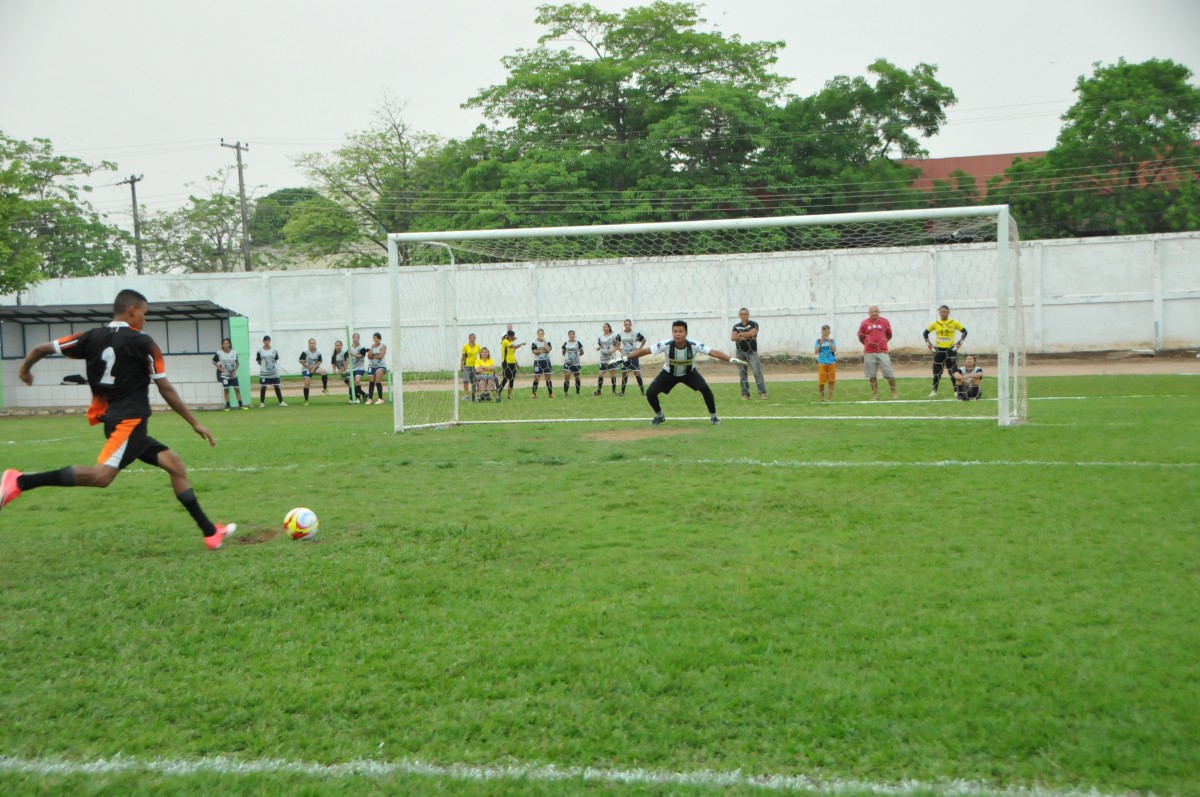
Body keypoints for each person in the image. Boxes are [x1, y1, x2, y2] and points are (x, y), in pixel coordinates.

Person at [0, 289, 236, 549]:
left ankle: (210, 531)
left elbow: (41, 348)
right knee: (102, 477)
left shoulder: (91, 337)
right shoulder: (143, 342)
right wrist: (195, 422)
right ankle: (20, 481)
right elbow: (164, 387)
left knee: (175, 465)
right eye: (144, 313)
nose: (145, 319)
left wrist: (24, 370)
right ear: (132, 310)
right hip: (129, 423)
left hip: (119, 421)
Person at [621, 320, 746, 426]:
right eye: (675, 331)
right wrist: (626, 357)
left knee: (705, 389)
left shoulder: (694, 345)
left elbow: (713, 352)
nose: (677, 334)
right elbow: (645, 351)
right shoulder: (665, 344)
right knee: (650, 393)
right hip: (669, 373)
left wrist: (730, 359)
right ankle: (660, 416)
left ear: (686, 333)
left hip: (689, 373)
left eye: (680, 331)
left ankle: (714, 417)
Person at [923, 305, 968, 398]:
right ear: (939, 313)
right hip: (939, 351)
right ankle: (934, 391)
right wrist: (930, 346)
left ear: (948, 312)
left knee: (953, 371)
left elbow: (964, 331)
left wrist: (959, 343)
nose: (943, 313)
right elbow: (925, 333)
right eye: (941, 311)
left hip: (950, 350)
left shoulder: (953, 323)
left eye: (945, 311)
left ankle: (956, 390)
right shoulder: (935, 324)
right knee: (936, 373)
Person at [857, 305, 897, 400]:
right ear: (868, 313)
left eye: (876, 311)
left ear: (879, 312)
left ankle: (894, 394)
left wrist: (882, 342)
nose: (874, 313)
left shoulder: (885, 321)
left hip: (882, 351)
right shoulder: (864, 323)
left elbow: (889, 335)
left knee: (889, 373)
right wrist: (868, 343)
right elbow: (861, 337)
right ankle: (875, 395)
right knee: (872, 375)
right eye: (872, 312)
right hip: (869, 352)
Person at [731, 307, 767, 400]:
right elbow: (733, 337)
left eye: (745, 314)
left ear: (748, 315)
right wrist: (746, 335)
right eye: (741, 314)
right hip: (740, 352)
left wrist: (740, 334)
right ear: (739, 315)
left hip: (752, 352)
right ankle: (745, 394)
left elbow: (752, 334)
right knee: (742, 374)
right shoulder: (736, 326)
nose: (743, 316)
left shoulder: (754, 324)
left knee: (757, 372)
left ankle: (762, 393)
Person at [212, 337, 249, 411]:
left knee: (237, 390)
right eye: (224, 343)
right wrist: (220, 368)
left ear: (229, 344)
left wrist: (235, 371)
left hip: (233, 375)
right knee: (226, 391)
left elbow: (237, 363)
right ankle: (228, 406)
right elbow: (213, 361)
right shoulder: (219, 353)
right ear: (222, 345)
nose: (225, 345)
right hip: (225, 375)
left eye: (227, 343)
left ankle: (241, 405)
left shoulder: (234, 352)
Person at [615, 319, 647, 396]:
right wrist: (619, 349)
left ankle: (642, 392)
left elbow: (644, 339)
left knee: (637, 372)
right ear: (624, 325)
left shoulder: (635, 333)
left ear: (631, 325)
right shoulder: (621, 334)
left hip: (634, 355)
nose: (627, 326)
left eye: (628, 324)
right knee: (624, 373)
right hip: (624, 356)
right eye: (625, 324)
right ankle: (622, 392)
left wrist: (639, 348)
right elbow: (616, 341)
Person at [256, 335, 287, 407]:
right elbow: (258, 361)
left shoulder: (274, 350)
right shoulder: (259, 351)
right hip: (264, 372)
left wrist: (271, 365)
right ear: (263, 341)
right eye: (265, 341)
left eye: (268, 341)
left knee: (276, 386)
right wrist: (264, 365)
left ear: (270, 341)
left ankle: (281, 402)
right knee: (263, 387)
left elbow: (276, 359)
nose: (267, 342)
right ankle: (262, 403)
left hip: (274, 372)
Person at [298, 338, 328, 405]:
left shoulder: (318, 352)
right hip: (306, 368)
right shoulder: (305, 352)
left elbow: (319, 361)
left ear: (316, 344)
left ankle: (325, 388)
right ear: (309, 344)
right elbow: (301, 360)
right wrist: (309, 367)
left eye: (314, 343)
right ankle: (306, 400)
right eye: (311, 343)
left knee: (324, 372)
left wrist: (314, 368)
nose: (312, 344)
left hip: (314, 368)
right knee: (307, 383)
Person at [593, 322, 620, 396]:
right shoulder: (600, 336)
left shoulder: (614, 336)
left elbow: (617, 346)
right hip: (603, 358)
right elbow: (601, 345)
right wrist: (599, 348)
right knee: (601, 373)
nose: (604, 328)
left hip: (611, 358)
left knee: (613, 374)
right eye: (603, 327)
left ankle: (614, 391)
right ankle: (598, 391)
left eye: (605, 327)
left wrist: (612, 350)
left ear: (609, 328)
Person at [530, 328, 556, 399]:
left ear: (544, 334)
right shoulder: (534, 342)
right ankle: (534, 394)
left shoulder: (547, 341)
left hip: (546, 361)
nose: (541, 335)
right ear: (537, 334)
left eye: (542, 334)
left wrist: (544, 341)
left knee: (548, 378)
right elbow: (534, 351)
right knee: (536, 378)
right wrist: (544, 351)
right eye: (539, 334)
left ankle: (550, 394)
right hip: (538, 361)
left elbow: (548, 349)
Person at [814, 325, 838, 402]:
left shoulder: (832, 341)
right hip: (822, 363)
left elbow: (834, 350)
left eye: (827, 331)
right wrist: (821, 343)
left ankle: (829, 399)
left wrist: (828, 341)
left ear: (829, 332)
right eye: (823, 330)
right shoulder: (817, 341)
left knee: (831, 382)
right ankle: (822, 399)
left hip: (831, 362)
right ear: (821, 331)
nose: (825, 332)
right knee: (821, 382)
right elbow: (816, 352)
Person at [498, 330, 524, 400]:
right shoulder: (505, 341)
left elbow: (512, 354)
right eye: (513, 336)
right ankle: (498, 393)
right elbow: (515, 347)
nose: (514, 337)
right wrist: (521, 344)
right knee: (505, 379)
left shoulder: (510, 341)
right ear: (509, 336)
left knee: (512, 379)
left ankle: (509, 396)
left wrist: (516, 363)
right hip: (506, 363)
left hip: (512, 363)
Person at [366, 332, 387, 404]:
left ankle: (381, 399)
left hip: (380, 365)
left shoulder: (383, 346)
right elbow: (369, 357)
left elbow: (381, 356)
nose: (376, 339)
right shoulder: (371, 346)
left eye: (377, 338)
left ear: (380, 339)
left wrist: (374, 356)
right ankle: (370, 399)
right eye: (374, 338)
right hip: (371, 365)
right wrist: (372, 350)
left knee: (378, 381)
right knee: (371, 381)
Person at [561, 329, 584, 395]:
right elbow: (563, 352)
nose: (572, 335)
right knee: (567, 377)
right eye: (570, 334)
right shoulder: (566, 343)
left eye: (573, 334)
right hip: (568, 363)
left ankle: (577, 392)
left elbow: (582, 352)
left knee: (577, 377)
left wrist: (576, 356)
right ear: (568, 335)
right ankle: (566, 393)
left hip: (576, 363)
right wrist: (567, 357)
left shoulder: (578, 343)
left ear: (575, 335)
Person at [460, 333, 481, 401]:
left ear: (475, 338)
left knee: (474, 381)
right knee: (465, 380)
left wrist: (480, 364)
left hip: (475, 366)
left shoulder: (477, 346)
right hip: (467, 366)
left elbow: (481, 356)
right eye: (471, 338)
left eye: (473, 338)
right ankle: (466, 395)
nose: (472, 339)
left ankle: (475, 395)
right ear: (469, 338)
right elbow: (463, 357)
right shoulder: (465, 346)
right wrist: (461, 366)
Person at [349, 333, 368, 404]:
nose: (356, 339)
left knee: (357, 380)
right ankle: (351, 398)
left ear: (359, 339)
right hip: (351, 368)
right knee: (350, 382)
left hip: (360, 367)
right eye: (355, 337)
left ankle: (358, 398)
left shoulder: (362, 348)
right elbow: (347, 359)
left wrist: (352, 354)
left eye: (357, 337)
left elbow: (359, 356)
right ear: (352, 338)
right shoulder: (350, 348)